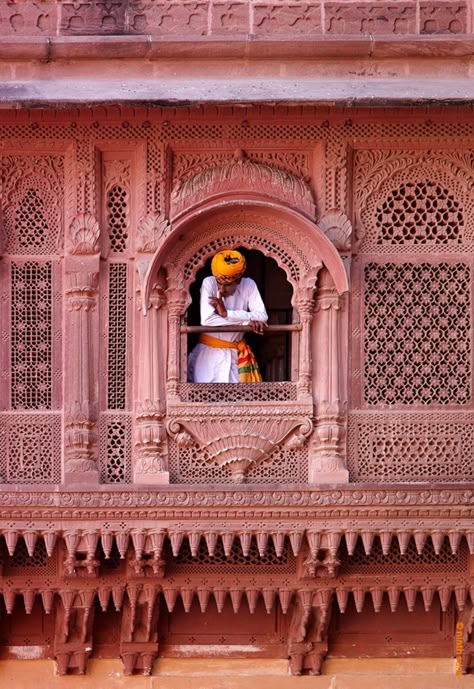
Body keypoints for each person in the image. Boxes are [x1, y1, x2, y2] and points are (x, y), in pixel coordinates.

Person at [188, 249, 268, 383]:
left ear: (238, 280)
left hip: (236, 356)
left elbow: (262, 317)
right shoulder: (209, 282)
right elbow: (207, 319)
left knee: (238, 401)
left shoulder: (248, 285)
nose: (221, 289)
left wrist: (227, 313)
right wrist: (245, 322)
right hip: (207, 356)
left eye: (227, 285)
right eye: (219, 284)